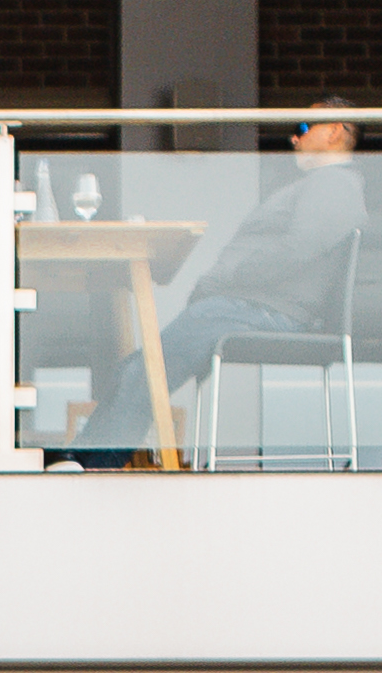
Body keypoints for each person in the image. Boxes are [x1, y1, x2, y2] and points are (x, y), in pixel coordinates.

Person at [107, 119, 364, 455]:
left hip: (264, 310)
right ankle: (87, 461)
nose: (294, 136)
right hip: (245, 306)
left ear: (334, 131)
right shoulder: (323, 186)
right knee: (138, 367)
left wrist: (231, 277)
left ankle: (89, 466)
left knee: (145, 370)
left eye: (303, 125)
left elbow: (301, 247)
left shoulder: (335, 184)